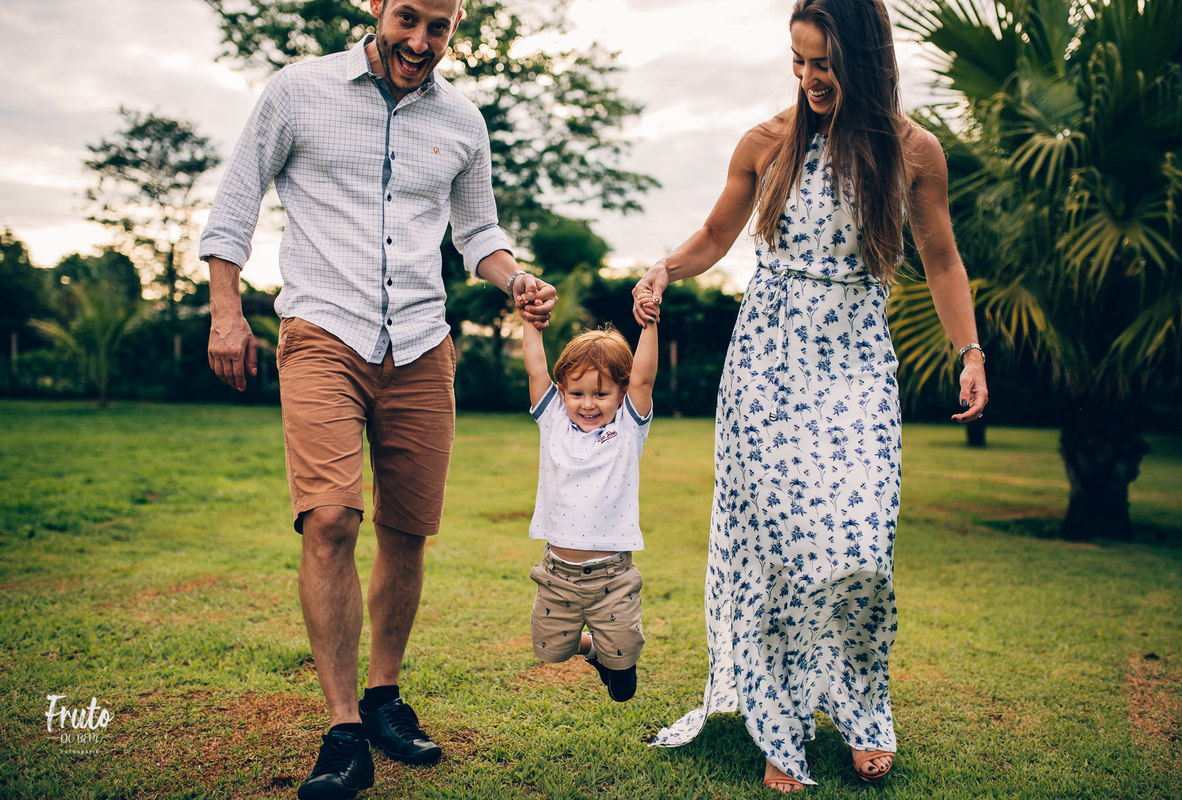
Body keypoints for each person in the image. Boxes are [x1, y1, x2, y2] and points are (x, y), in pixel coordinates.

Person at [199, 1, 556, 798]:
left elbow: (478, 234)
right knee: (330, 517)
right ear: (376, 7)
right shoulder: (299, 91)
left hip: (423, 343)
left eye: (440, 28)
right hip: (323, 328)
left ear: (456, 28)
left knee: (407, 531)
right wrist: (228, 312)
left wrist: (516, 278)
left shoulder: (463, 121)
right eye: (408, 20)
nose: (420, 42)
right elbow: (235, 203)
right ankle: (343, 730)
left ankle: (384, 697)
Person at [633, 0, 988, 791]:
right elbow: (716, 235)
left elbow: (941, 261)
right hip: (768, 358)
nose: (808, 78)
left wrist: (971, 350)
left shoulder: (913, 151)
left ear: (863, 58)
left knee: (861, 541)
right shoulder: (767, 141)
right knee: (778, 553)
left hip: (856, 356)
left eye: (823, 63)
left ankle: (864, 709)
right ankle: (779, 720)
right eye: (797, 61)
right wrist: (665, 268)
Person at [520, 306, 658, 702]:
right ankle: (592, 649)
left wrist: (648, 325)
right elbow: (535, 371)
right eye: (577, 393)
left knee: (623, 676)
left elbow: (645, 377)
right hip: (556, 573)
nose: (588, 404)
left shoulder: (628, 429)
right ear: (562, 392)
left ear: (621, 391)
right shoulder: (553, 421)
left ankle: (613, 653)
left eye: (601, 393)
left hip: (612, 575)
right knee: (551, 650)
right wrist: (530, 326)